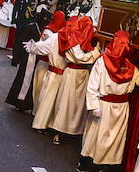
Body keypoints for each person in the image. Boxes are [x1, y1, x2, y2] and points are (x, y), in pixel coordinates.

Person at [78, 30, 139, 172]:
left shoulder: (130, 66)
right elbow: (92, 85)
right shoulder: (102, 61)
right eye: (121, 43)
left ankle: (108, 165)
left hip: (122, 107)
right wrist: (94, 105)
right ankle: (85, 160)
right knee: (95, 134)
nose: (124, 46)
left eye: (127, 44)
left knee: (115, 138)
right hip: (103, 105)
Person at [41, 15, 101, 144]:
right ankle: (59, 130)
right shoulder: (73, 38)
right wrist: (95, 52)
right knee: (66, 103)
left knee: (77, 105)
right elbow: (79, 57)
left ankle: (74, 130)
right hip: (72, 74)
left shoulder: (86, 39)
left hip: (83, 75)